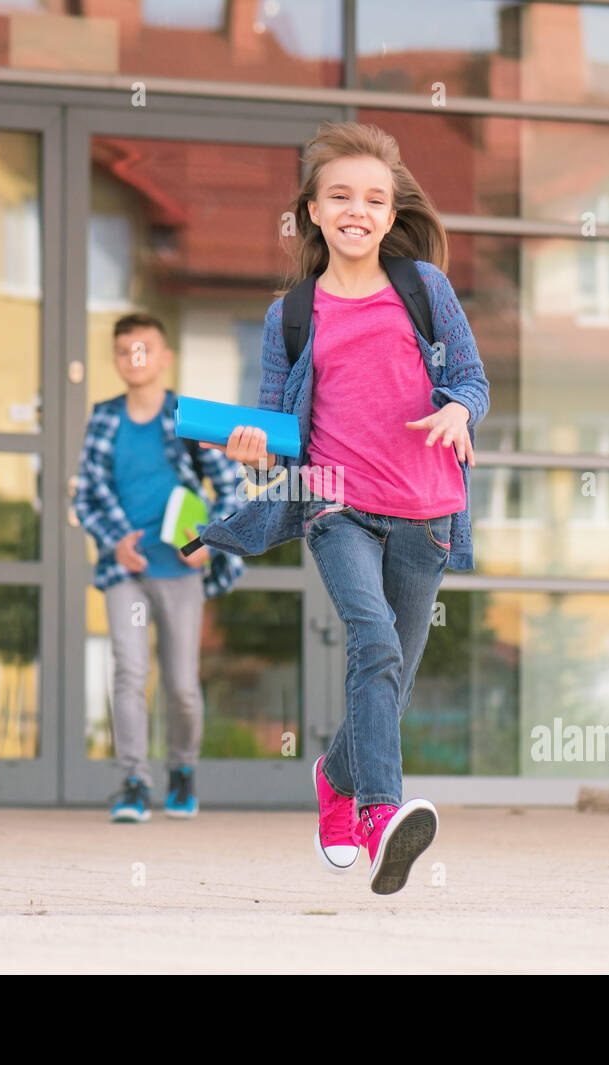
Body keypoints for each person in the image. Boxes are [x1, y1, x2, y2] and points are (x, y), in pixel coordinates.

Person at [196, 122, 489, 895]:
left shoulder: (425, 288)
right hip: (334, 503)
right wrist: (258, 448)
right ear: (314, 213)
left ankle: (333, 775)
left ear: (391, 215)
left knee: (394, 674)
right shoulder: (290, 315)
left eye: (374, 199)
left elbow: (472, 380)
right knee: (375, 644)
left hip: (427, 509)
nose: (358, 210)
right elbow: (275, 426)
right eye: (340, 197)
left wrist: (461, 410)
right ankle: (378, 815)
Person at [72, 312, 245, 822]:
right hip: (125, 569)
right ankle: (132, 782)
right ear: (116, 359)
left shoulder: (187, 419)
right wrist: (113, 541)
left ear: (165, 357)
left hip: (180, 570)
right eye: (126, 351)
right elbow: (84, 496)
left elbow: (231, 487)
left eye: (145, 349)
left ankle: (182, 770)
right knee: (128, 671)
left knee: (182, 686)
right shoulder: (104, 418)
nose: (135, 359)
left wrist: (210, 537)